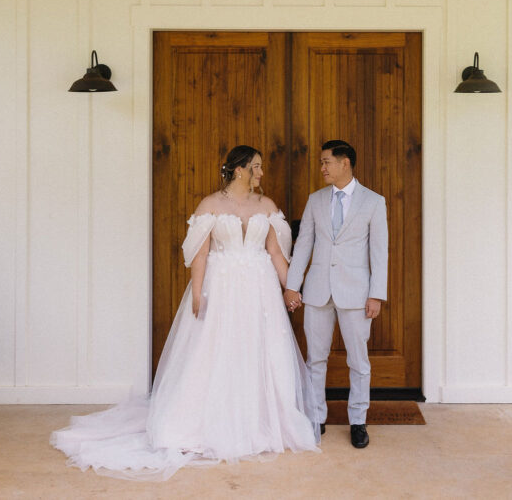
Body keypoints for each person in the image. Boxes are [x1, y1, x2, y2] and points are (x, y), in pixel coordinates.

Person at [51, 145, 320, 480]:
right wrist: (197, 293)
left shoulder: (266, 205)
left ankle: (263, 423)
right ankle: (202, 424)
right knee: (214, 351)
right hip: (221, 288)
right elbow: (201, 254)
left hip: (259, 289)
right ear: (239, 170)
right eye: (256, 167)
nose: (262, 173)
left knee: (258, 350)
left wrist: (291, 288)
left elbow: (276, 252)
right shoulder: (210, 204)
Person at [283, 140, 388, 449]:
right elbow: (303, 244)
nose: (322, 168)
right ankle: (317, 418)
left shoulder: (373, 202)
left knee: (359, 360)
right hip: (317, 290)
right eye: (321, 162)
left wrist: (376, 295)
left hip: (357, 293)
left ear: (345, 163)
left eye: (326, 162)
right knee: (315, 358)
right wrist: (293, 284)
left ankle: (358, 421)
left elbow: (379, 253)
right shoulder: (315, 200)